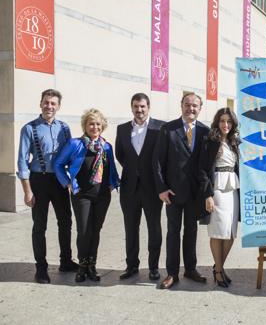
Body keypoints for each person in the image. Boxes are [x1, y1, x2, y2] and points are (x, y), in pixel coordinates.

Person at [17, 89, 78, 284]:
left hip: (59, 181)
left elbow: (70, 155)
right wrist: (27, 191)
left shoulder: (64, 128)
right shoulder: (29, 128)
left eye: (53, 103)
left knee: (65, 222)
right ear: (40, 104)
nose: (49, 106)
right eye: (46, 102)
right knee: (39, 226)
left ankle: (66, 260)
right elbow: (22, 162)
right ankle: (41, 268)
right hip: (39, 180)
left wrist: (72, 180)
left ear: (58, 106)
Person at [54, 109, 119, 282]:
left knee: (96, 231)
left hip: (102, 196)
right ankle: (82, 266)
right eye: (91, 123)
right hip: (81, 195)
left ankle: (92, 265)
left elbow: (111, 168)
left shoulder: (106, 146)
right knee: (84, 231)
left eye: (98, 123)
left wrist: (113, 183)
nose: (95, 127)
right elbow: (58, 164)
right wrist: (67, 183)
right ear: (85, 125)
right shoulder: (75, 144)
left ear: (102, 126)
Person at [153, 92, 209, 289]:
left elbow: (208, 164)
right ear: (181, 105)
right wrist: (162, 189)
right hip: (173, 193)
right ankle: (172, 273)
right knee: (173, 232)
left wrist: (207, 192)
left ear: (200, 109)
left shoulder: (205, 131)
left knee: (191, 232)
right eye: (187, 104)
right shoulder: (168, 129)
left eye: (194, 106)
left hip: (195, 193)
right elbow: (158, 161)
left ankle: (191, 269)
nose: (190, 108)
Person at [116, 93, 165, 281]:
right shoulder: (121, 129)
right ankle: (131, 265)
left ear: (148, 107)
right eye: (136, 106)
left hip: (152, 188)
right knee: (130, 229)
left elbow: (162, 157)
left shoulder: (160, 128)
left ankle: (153, 267)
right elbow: (120, 154)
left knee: (154, 228)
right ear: (131, 107)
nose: (139, 110)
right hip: (129, 189)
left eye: (143, 106)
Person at [197, 108, 240, 288]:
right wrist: (207, 194)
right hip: (217, 190)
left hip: (233, 189)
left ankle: (219, 266)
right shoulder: (210, 141)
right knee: (218, 231)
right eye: (222, 121)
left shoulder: (235, 142)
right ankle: (218, 272)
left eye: (229, 122)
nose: (225, 125)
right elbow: (201, 169)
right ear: (217, 122)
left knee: (230, 233)